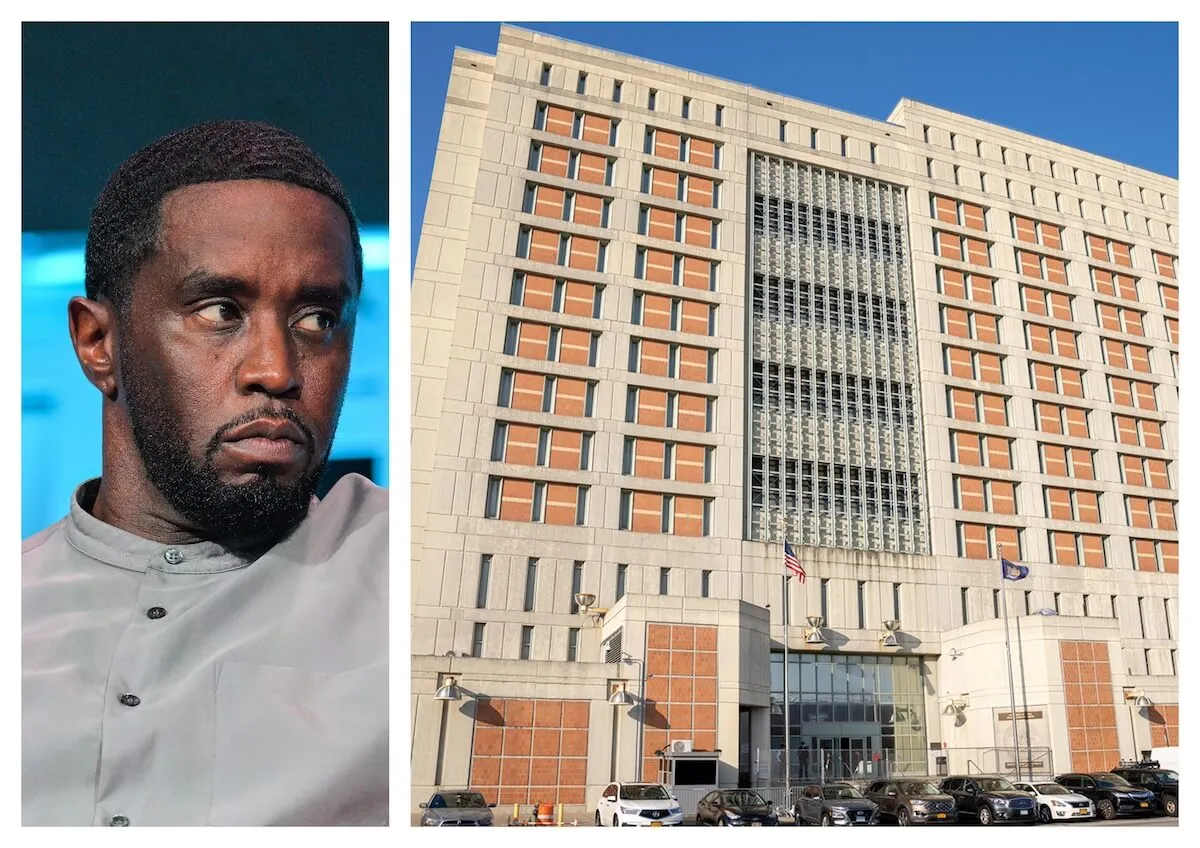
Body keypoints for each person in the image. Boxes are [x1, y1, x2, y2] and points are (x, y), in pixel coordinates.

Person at [22, 120, 388, 827]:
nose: (277, 372)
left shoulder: (400, 566)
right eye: (221, 311)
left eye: (318, 320)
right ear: (99, 343)